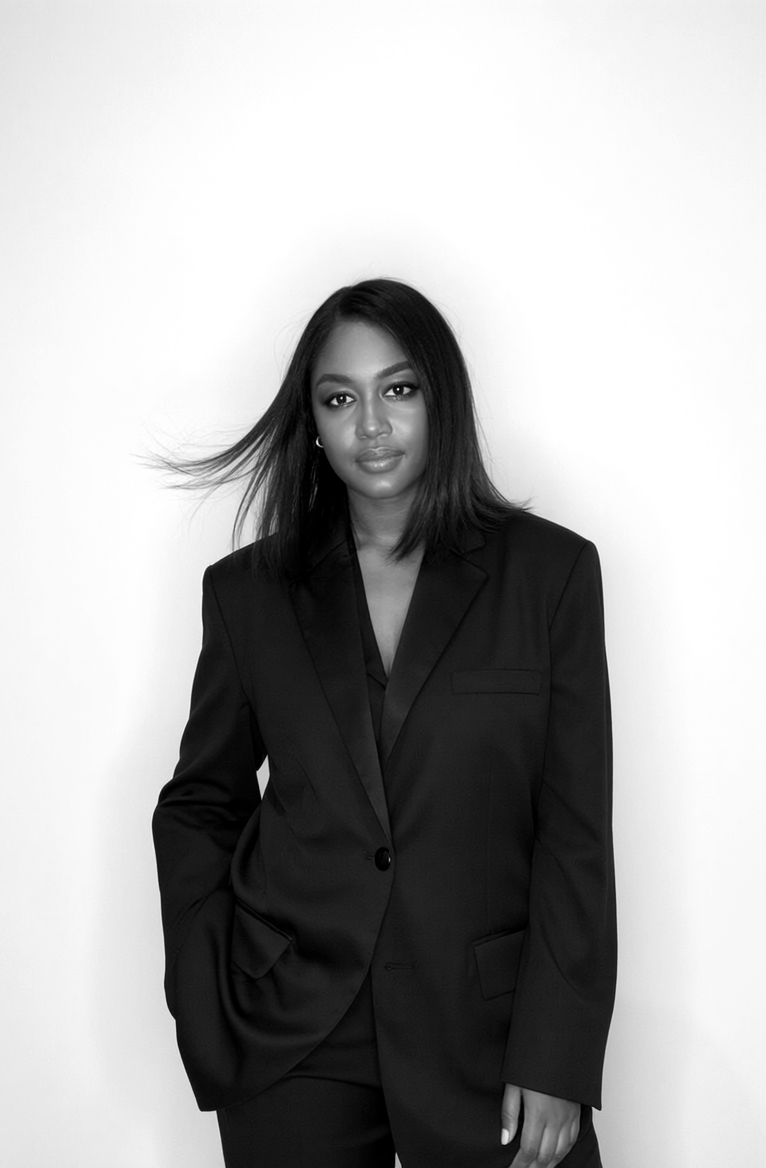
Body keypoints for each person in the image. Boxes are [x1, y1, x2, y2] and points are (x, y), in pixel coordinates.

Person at [152, 278, 616, 1168]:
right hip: (293, 1040)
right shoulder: (249, 594)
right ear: (313, 424)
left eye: (398, 389)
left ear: (442, 397)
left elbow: (574, 832)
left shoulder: (550, 575)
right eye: (340, 399)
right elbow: (201, 803)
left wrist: (559, 1053)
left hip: (488, 1037)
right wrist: (206, 997)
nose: (371, 425)